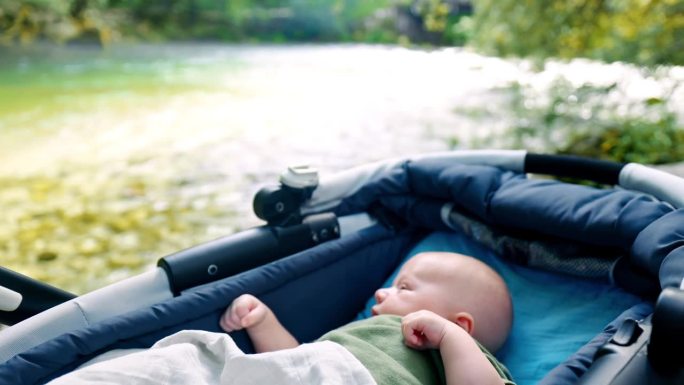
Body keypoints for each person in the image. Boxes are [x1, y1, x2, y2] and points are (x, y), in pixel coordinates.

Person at [221, 251, 515, 385]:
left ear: (460, 324)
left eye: (403, 287)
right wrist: (263, 322)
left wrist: (453, 339)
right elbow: (296, 363)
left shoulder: (473, 361)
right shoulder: (362, 334)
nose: (379, 293)